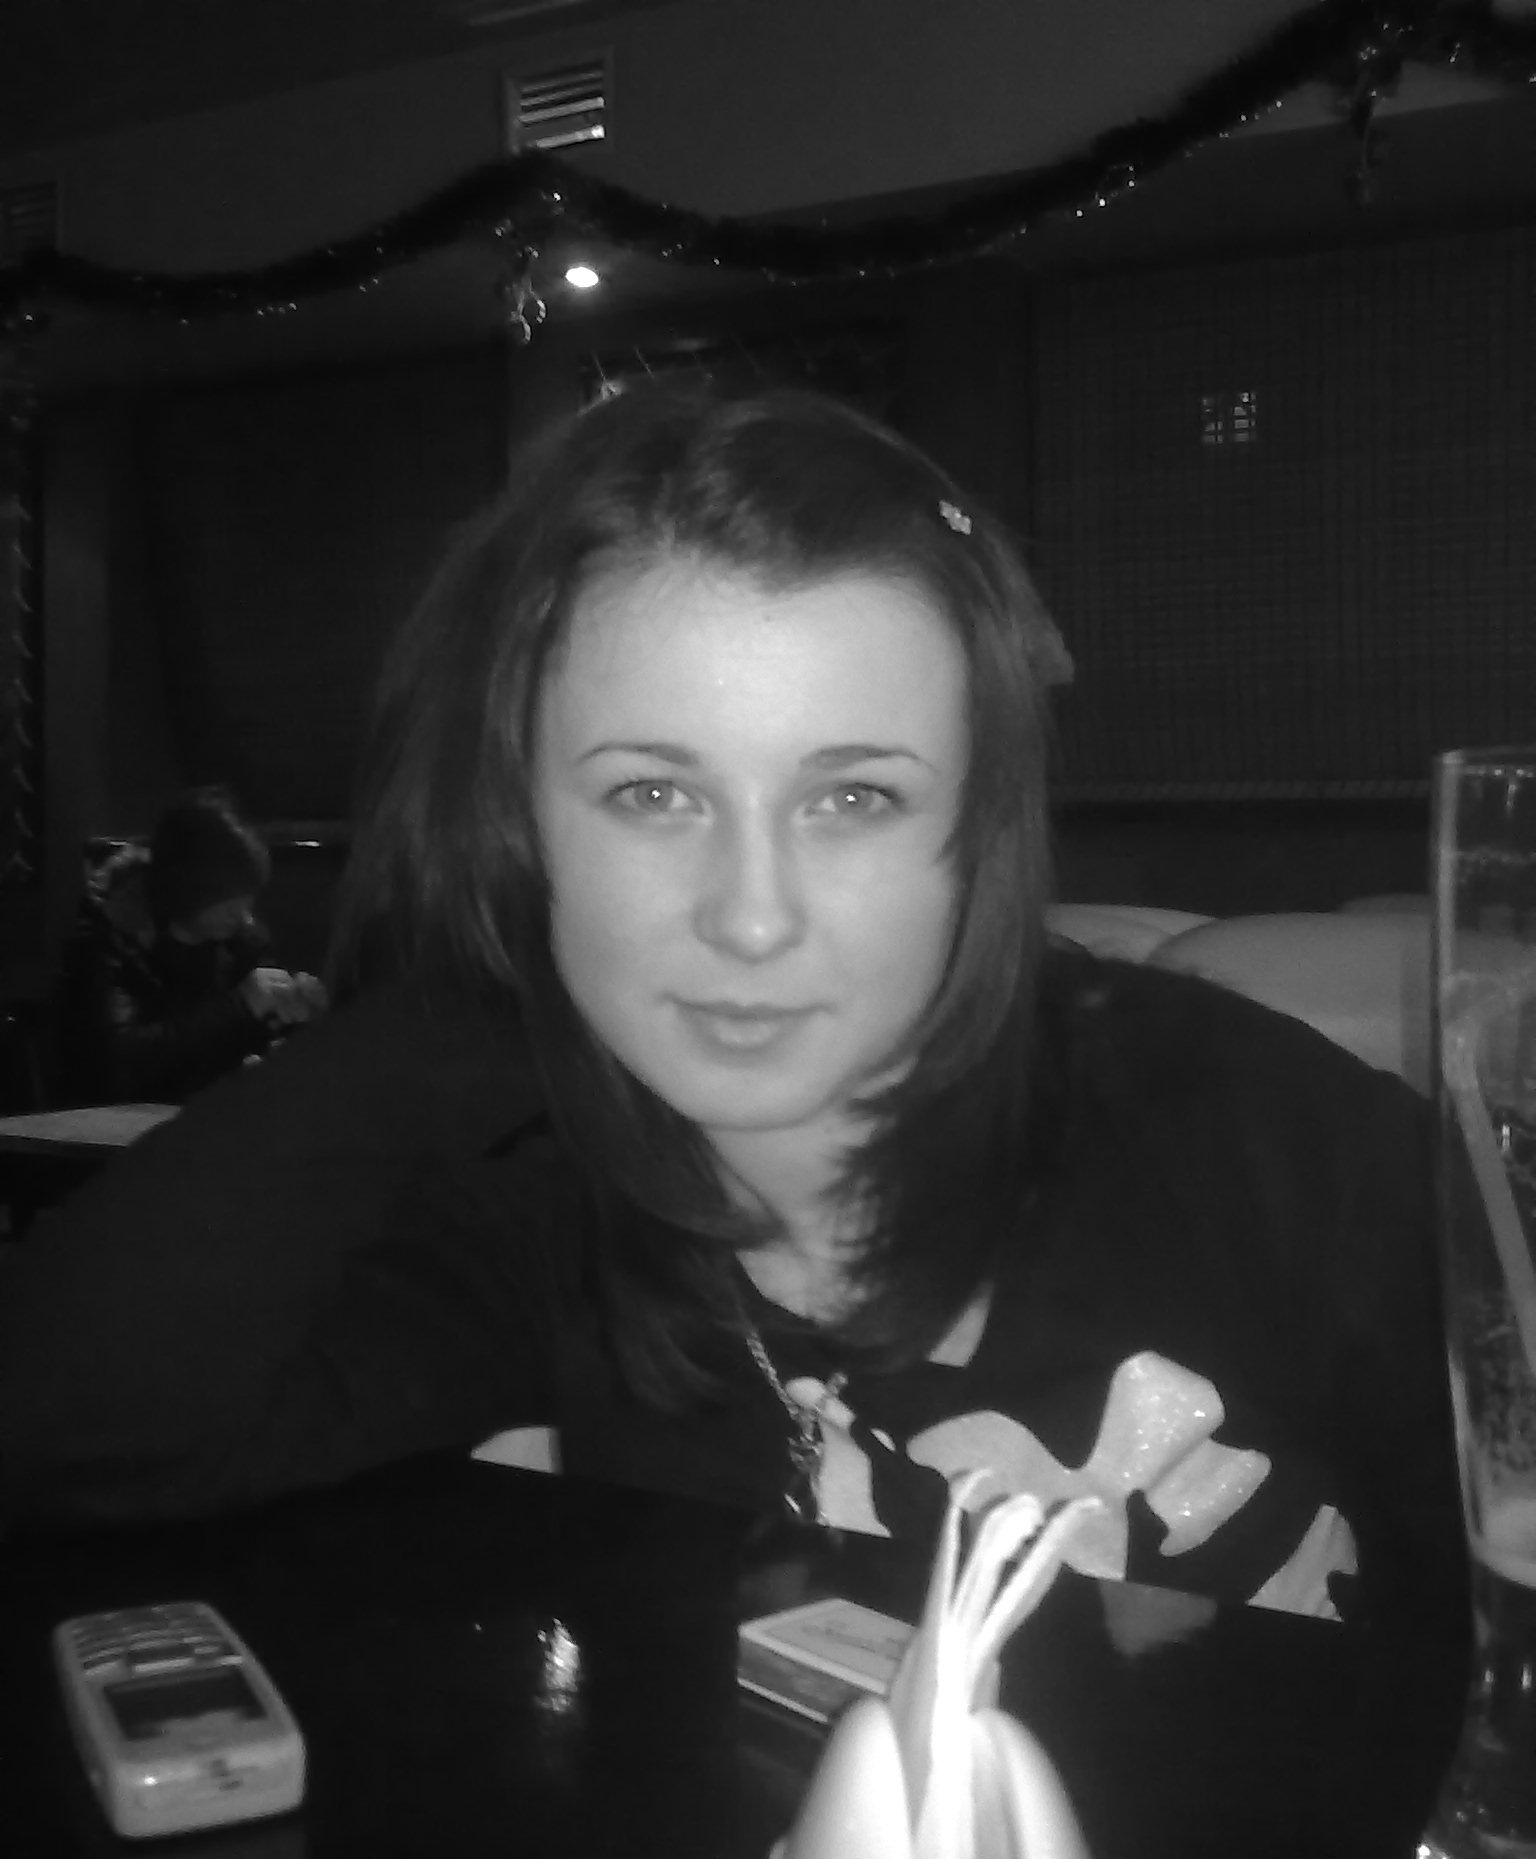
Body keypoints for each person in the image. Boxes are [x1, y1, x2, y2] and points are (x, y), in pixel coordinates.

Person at [0, 385, 1465, 1637]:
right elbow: (65, 1428)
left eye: (854, 797)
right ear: (522, 824)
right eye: (651, 794)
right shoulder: (546, 1212)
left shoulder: (1260, 1135)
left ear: (977, 831)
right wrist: (486, 987)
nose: (751, 916)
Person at [49, 785, 328, 1104]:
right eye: (229, 901)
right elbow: (117, 1067)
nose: (243, 915)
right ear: (190, 888)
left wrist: (300, 1019)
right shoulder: (110, 937)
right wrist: (239, 1007)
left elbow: (263, 1036)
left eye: (246, 900)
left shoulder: (239, 939)